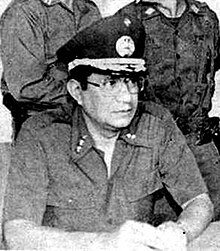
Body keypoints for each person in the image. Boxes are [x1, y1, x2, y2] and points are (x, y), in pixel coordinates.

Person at [3, 6, 213, 250]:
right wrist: (105, 243)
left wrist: (179, 231)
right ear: (76, 91)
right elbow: (16, 234)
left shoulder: (156, 123)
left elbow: (199, 200)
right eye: (111, 83)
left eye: (132, 82)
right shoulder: (40, 135)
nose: (126, 98)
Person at [135, 0, 220, 220]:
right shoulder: (130, 20)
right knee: (161, 228)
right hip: (153, 149)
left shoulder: (206, 18)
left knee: (213, 225)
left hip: (200, 144)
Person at [0, 0, 134, 138]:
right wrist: (85, 95)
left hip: (85, 118)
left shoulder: (88, 8)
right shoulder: (24, 11)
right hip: (41, 119)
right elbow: (26, 86)